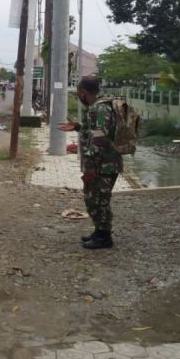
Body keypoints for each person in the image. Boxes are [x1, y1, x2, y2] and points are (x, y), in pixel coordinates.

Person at [57, 75, 122, 249]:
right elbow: (96, 131)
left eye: (78, 92)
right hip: (106, 162)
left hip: (102, 164)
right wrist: (78, 127)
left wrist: (91, 167)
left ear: (83, 92)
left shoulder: (98, 109)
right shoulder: (101, 106)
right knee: (95, 198)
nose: (78, 95)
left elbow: (99, 139)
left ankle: (104, 236)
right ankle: (99, 231)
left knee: (98, 199)